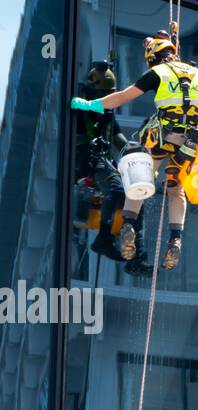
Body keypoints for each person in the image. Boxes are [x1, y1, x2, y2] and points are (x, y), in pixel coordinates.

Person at [70, 31, 198, 271]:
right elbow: (182, 83)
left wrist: (89, 104)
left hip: (162, 138)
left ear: (154, 57)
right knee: (176, 190)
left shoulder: (157, 73)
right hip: (189, 142)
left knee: (141, 179)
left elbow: (121, 98)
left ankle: (128, 225)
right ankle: (175, 238)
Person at [72, 61, 129, 263]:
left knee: (134, 191)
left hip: (100, 159)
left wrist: (134, 150)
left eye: (110, 94)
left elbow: (117, 136)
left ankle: (135, 253)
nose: (108, 98)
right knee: (115, 189)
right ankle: (104, 238)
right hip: (85, 161)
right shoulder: (81, 109)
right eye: (104, 94)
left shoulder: (106, 111)